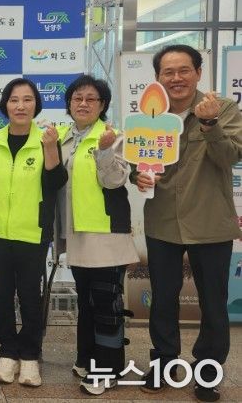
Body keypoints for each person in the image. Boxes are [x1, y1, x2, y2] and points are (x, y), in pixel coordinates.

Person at [134, 44, 242, 402]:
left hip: (210, 221)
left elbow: (230, 156)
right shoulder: (150, 115)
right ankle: (164, 362)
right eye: (168, 72)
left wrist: (209, 123)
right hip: (162, 219)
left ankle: (208, 371)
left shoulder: (221, 108)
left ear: (198, 72)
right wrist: (138, 175)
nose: (176, 78)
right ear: (158, 77)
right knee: (163, 298)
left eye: (184, 70)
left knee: (213, 302)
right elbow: (138, 161)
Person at [55, 75, 139, 396]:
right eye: (77, 98)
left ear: (103, 105)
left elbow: (115, 181)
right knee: (87, 300)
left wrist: (104, 151)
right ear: (69, 104)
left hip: (106, 234)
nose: (83, 104)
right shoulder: (63, 137)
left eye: (91, 99)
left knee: (106, 302)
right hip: (77, 234)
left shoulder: (114, 137)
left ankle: (108, 369)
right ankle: (87, 358)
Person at [0, 77, 66, 388]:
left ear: (36, 105)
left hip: (33, 231)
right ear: (5, 105)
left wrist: (51, 148)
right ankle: (7, 352)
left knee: (31, 295)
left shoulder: (47, 140)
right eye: (14, 100)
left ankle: (30, 354)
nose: (20, 106)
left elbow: (56, 183)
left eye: (27, 99)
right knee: (2, 294)